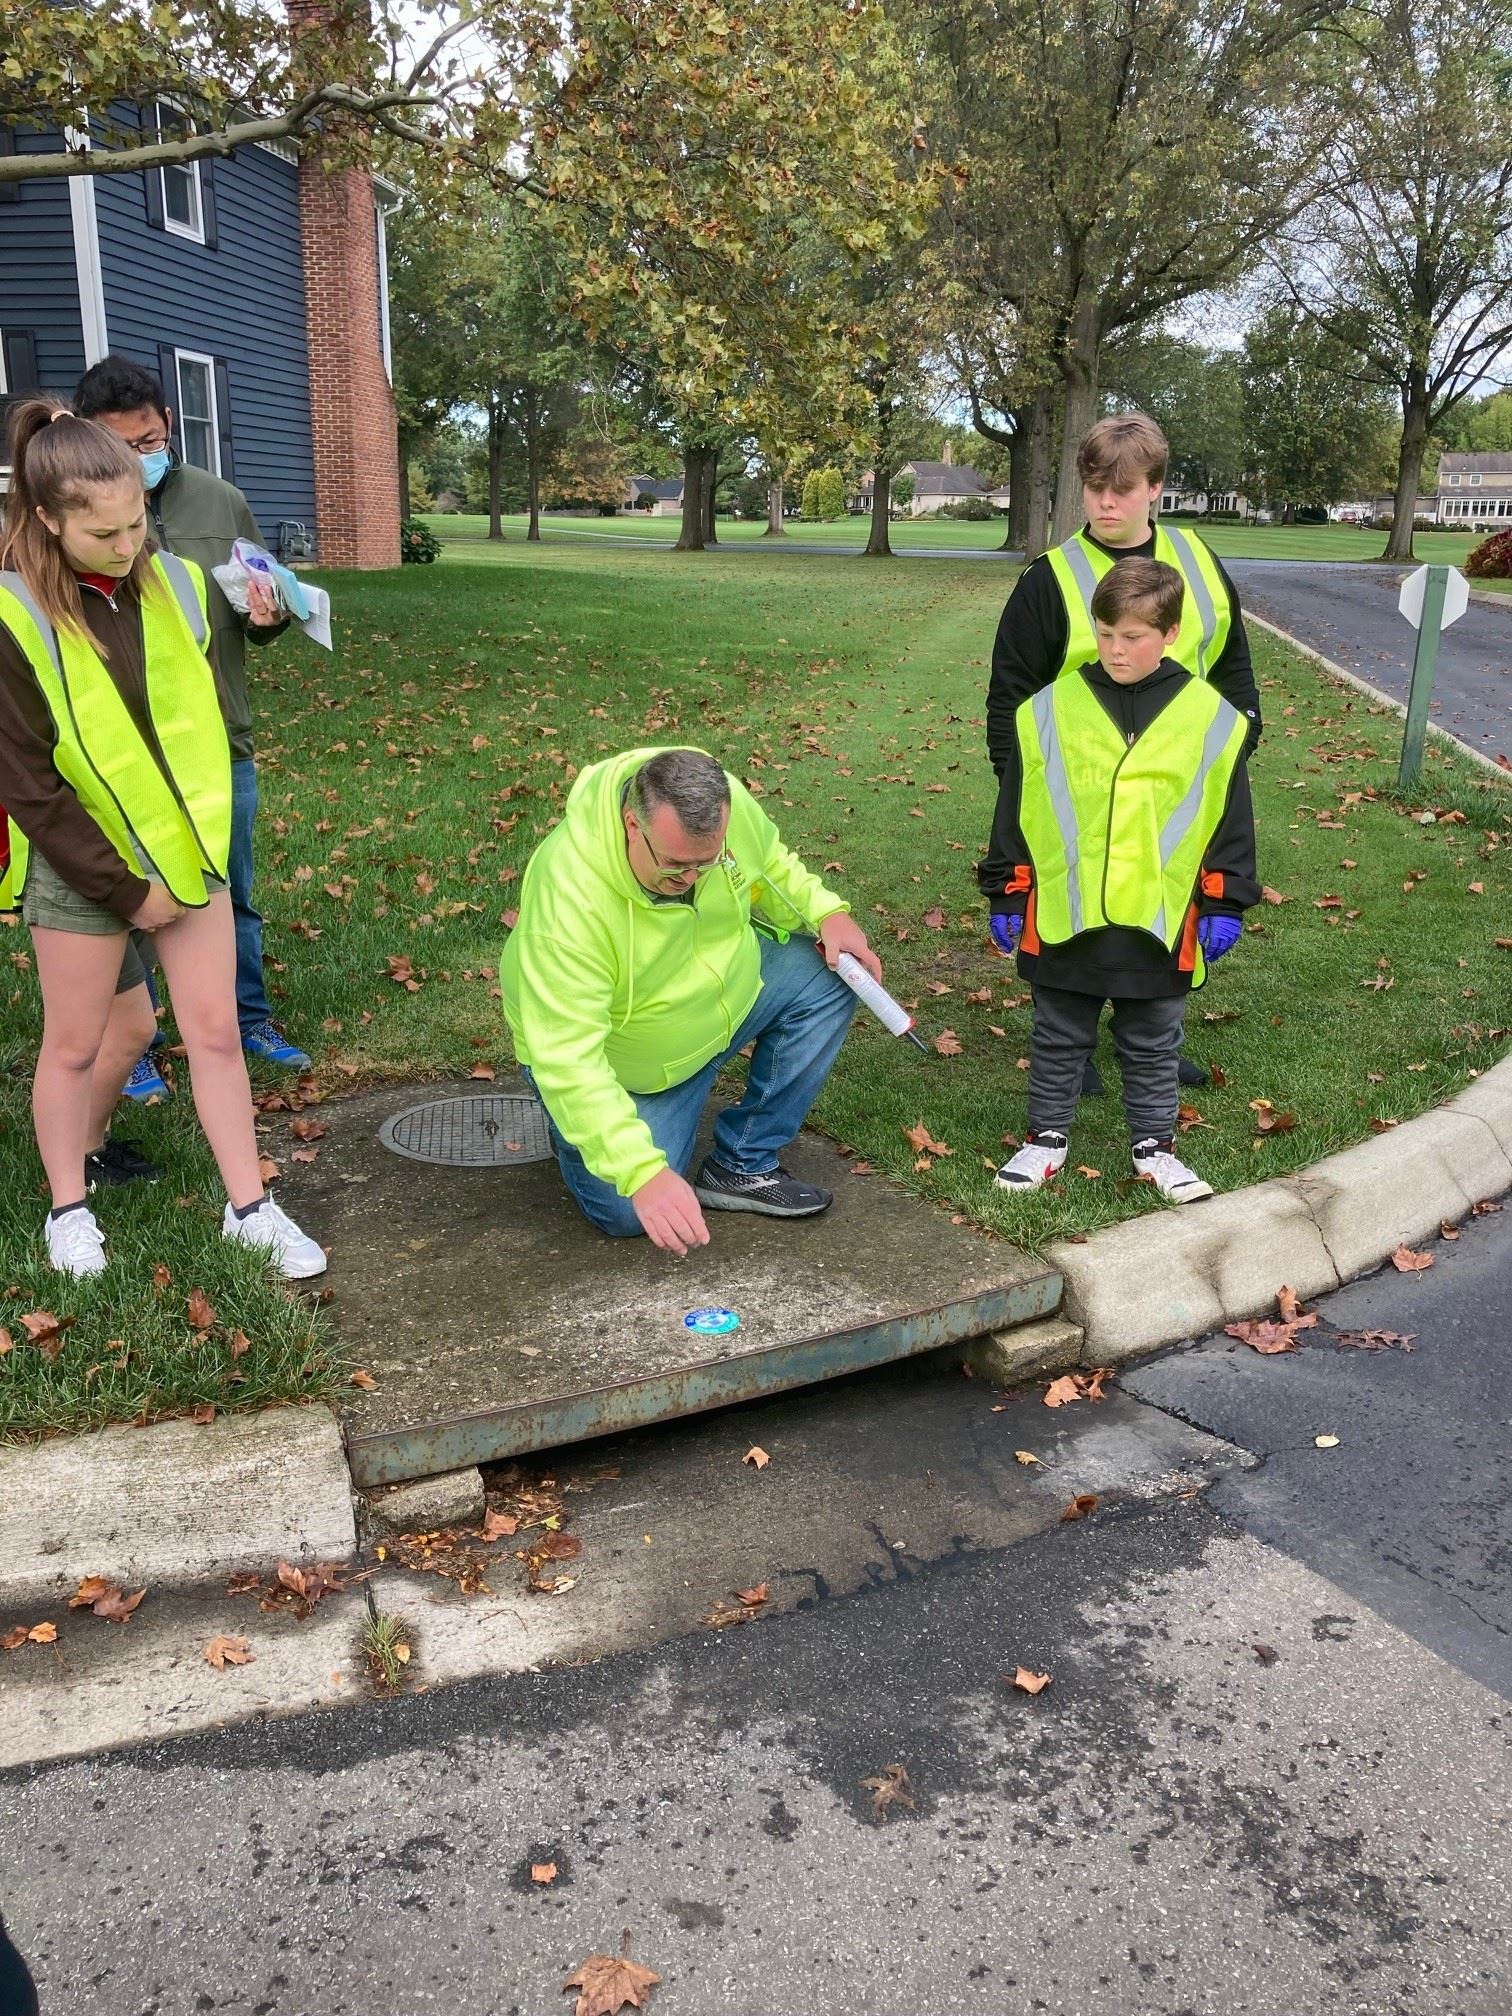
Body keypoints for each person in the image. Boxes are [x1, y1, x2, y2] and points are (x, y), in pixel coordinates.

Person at [0, 399, 326, 1279]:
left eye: (138, 521)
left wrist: (269, 616)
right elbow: (30, 786)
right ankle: (69, 1210)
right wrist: (125, 890)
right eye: (103, 533)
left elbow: (207, 691)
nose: (127, 544)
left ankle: (251, 1207)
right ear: (46, 520)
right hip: (80, 863)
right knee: (77, 1043)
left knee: (214, 1031)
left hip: (189, 848)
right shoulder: (11, 613)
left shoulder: (175, 577)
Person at [500, 746, 881, 1254]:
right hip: (627, 1064)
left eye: (709, 862)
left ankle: (741, 1163)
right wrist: (641, 1172)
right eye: (677, 865)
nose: (692, 880)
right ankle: (584, 1127)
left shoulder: (720, 801)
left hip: (721, 995)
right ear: (632, 825)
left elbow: (768, 863)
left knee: (834, 976)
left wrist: (827, 913)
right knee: (624, 1211)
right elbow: (568, 1059)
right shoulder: (568, 902)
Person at [982, 411, 1262, 1094]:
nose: (1106, 502)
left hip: (1175, 795)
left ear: (1156, 488)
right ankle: (1069, 1051)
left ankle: (1155, 1042)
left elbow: (1234, 678)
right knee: (1072, 918)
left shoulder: (1197, 563)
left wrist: (1223, 766)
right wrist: (1024, 797)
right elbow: (1010, 707)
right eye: (1094, 487)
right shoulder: (1049, 580)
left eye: (1124, 488)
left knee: (1169, 912)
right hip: (1073, 801)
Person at [985, 558, 1259, 1204]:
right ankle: (1045, 1138)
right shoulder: (1049, 710)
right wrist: (1007, 887)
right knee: (1057, 1033)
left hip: (1161, 917)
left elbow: (1229, 816)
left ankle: (1154, 1147)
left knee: (1153, 1038)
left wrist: (1226, 898)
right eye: (1105, 633)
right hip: (1065, 908)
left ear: (1168, 633)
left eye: (1132, 637)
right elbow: (1018, 807)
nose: (1115, 649)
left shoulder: (1209, 717)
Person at [73, 355, 311, 1091]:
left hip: (220, 744)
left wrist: (271, 616)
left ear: (168, 425)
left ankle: (248, 1020)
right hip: (126, 755)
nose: (137, 459)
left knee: (230, 892)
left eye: (146, 442)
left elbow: (256, 604)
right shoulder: (74, 514)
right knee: (132, 902)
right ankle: (134, 1045)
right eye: (119, 447)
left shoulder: (221, 501)